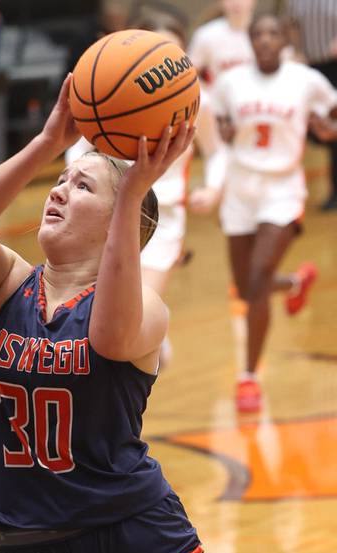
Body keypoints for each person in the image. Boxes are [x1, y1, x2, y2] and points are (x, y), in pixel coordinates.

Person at [0, 74, 225, 553]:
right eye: (60, 181)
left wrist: (135, 187)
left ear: (128, 222)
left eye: (83, 186)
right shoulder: (7, 286)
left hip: (141, 546)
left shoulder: (145, 308)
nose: (58, 190)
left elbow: (110, 338)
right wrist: (46, 144)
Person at [67, 14, 227, 365]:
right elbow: (76, 149)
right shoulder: (114, 97)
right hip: (104, 214)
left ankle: (149, 343)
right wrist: (73, 178)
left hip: (162, 219)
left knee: (131, 319)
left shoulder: (200, 102)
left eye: (174, 52)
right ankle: (151, 344)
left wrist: (213, 189)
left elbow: (217, 153)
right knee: (94, 321)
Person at [210, 12, 337, 413]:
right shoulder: (231, 83)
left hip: (282, 189)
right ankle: (296, 282)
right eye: (258, 34)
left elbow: (332, 111)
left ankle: (248, 377)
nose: (265, 40)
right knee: (247, 287)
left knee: (260, 275)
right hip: (240, 189)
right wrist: (225, 132)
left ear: (285, 39)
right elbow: (218, 125)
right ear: (250, 41)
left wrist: (327, 128)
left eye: (273, 34)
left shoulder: (306, 79)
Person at [286, 0, 337, 211]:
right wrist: (296, 50)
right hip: (309, 66)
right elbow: (292, 24)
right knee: (312, 128)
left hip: (334, 65)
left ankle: (335, 192)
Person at [188, 0, 256, 86]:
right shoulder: (205, 34)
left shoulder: (267, 35)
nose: (236, 2)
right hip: (217, 97)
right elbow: (190, 75)